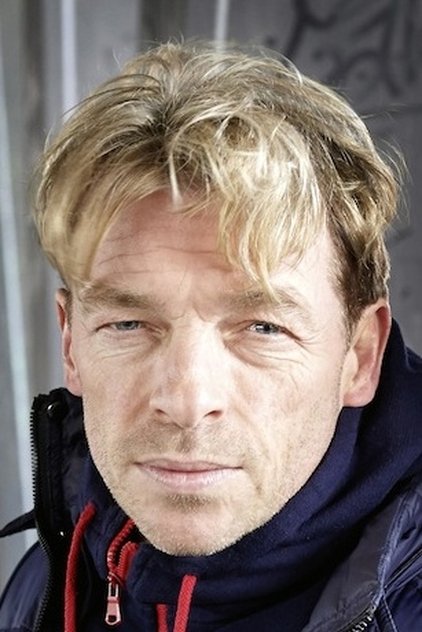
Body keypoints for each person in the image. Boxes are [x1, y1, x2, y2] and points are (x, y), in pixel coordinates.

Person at [0, 40, 421, 632]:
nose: (187, 401)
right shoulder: (53, 575)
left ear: (360, 356)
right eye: (128, 324)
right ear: (71, 343)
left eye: (263, 328)